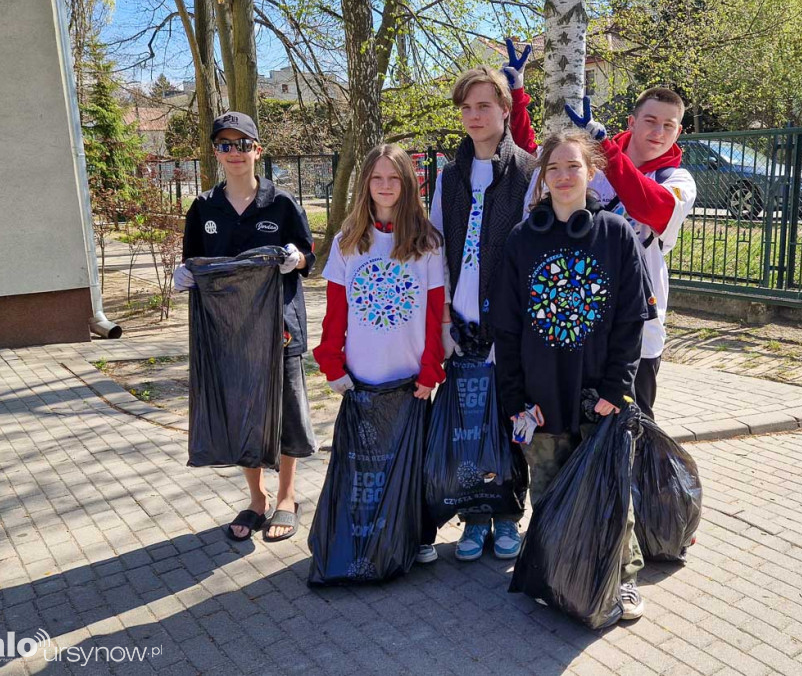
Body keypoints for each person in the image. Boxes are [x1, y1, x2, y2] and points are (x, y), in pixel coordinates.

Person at [492, 130, 657, 620]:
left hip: (598, 397)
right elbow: (507, 326)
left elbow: (631, 322)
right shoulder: (523, 240)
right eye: (554, 168)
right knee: (549, 490)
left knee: (609, 491)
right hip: (540, 399)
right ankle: (556, 573)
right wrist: (514, 397)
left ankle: (621, 578)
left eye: (574, 167)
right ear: (542, 178)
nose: (564, 177)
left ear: (592, 173)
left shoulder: (615, 234)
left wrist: (616, 389)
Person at [502, 40, 696, 419]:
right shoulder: (594, 163)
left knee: (628, 440)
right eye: (650, 121)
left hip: (632, 335)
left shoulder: (678, 180)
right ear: (632, 122)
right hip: (579, 328)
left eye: (668, 125)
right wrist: (518, 96)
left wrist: (608, 150)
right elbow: (540, 163)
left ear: (678, 131)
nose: (658, 131)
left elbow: (651, 206)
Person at [174, 111, 316, 543]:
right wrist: (184, 276)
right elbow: (194, 262)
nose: (234, 153)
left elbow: (310, 256)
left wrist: (298, 258)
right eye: (224, 144)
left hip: (281, 330)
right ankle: (257, 497)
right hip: (229, 335)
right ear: (215, 151)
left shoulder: (282, 204)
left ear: (258, 149)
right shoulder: (203, 208)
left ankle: (288, 496)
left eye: (242, 144)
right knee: (244, 417)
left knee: (287, 414)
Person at [312, 144, 446, 564]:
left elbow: (434, 313)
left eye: (395, 178)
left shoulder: (427, 242)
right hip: (362, 377)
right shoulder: (347, 242)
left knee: (414, 463)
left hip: (410, 380)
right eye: (377, 178)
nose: (386, 186)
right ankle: (361, 537)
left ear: (408, 184)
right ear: (365, 184)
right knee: (365, 464)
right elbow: (335, 313)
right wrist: (331, 362)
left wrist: (431, 368)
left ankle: (417, 536)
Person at [429, 66, 537, 562]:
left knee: (508, 423)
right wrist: (444, 322)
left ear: (505, 111)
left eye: (484, 106)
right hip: (461, 325)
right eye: (467, 107)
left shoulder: (530, 172)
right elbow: (435, 248)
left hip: (508, 328)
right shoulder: (450, 176)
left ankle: (508, 515)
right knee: (469, 424)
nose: (474, 116)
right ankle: (473, 517)